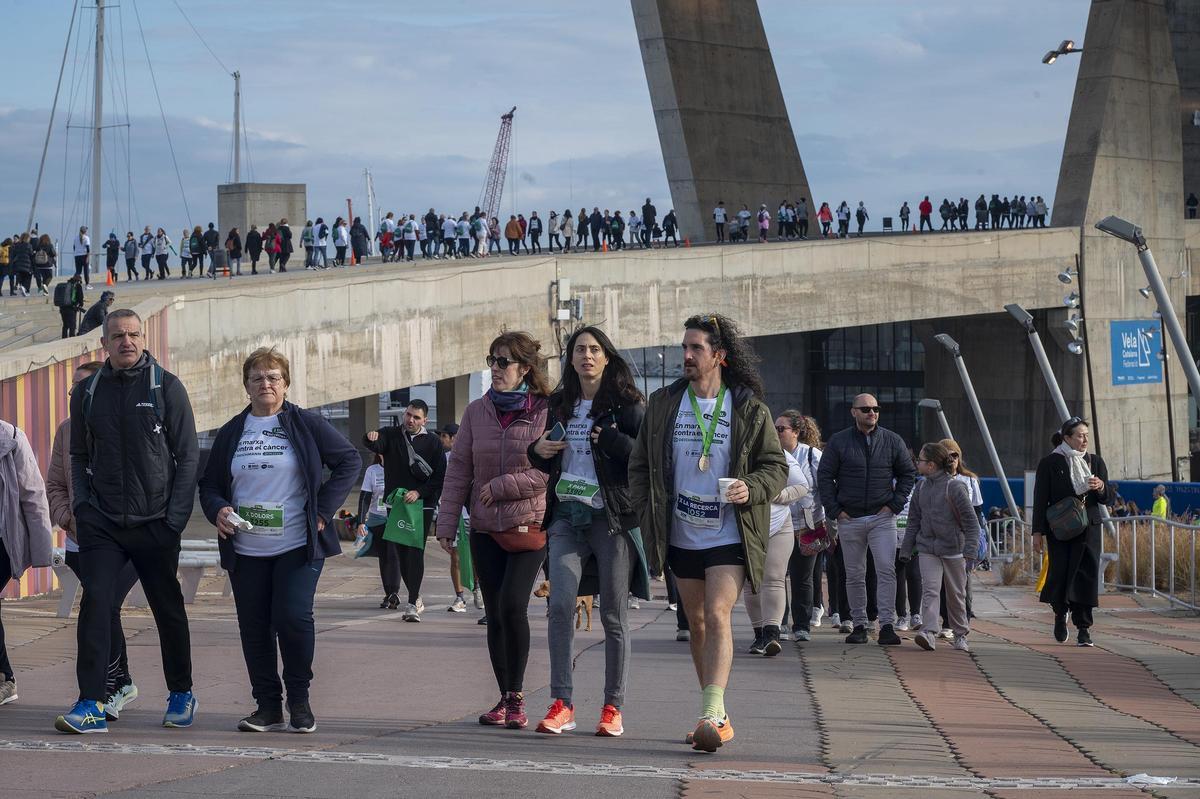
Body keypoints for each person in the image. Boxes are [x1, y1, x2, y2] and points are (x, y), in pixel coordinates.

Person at [628, 313, 787, 753]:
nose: (687, 355)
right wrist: (647, 514)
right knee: (695, 623)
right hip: (680, 532)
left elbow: (775, 467)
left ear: (719, 356)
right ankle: (715, 713)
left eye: (696, 348)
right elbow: (639, 466)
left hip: (729, 532)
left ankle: (710, 711)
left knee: (718, 613)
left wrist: (749, 487)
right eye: (684, 347)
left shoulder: (749, 409)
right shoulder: (663, 404)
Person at [199, 347, 357, 733]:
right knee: (254, 627)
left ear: (285, 383)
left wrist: (322, 512)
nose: (265, 383)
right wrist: (218, 509)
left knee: (292, 617)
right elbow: (210, 484)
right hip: (246, 548)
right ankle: (267, 707)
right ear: (246, 386)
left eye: (273, 377)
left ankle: (299, 700)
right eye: (257, 377)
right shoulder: (233, 430)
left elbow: (350, 460)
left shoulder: (305, 423)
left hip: (297, 545)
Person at [57, 309, 200, 734]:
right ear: (104, 343)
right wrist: (83, 508)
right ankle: (90, 703)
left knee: (167, 607)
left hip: (156, 521)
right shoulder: (87, 393)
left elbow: (188, 457)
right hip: (102, 521)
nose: (127, 342)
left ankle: (181, 692)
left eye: (134, 334)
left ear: (143, 338)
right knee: (96, 604)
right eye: (118, 336)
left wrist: (174, 520)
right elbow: (78, 455)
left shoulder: (166, 387)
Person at [527, 327, 649, 737]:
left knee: (614, 615)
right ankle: (562, 702)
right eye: (580, 350)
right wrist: (536, 452)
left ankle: (613, 707)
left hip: (610, 517)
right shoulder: (559, 403)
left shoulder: (628, 405)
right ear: (571, 358)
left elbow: (645, 459)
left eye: (595, 350)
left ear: (607, 357)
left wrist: (614, 441)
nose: (587, 356)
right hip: (566, 516)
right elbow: (545, 453)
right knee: (559, 604)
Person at [435, 332, 551, 731]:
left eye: (504, 362)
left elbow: (550, 472)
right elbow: (458, 471)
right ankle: (504, 696)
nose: (496, 369)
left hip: (528, 526)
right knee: (494, 613)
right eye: (492, 360)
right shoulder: (475, 412)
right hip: (484, 528)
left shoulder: (546, 412)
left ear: (525, 369)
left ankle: (518, 698)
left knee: (512, 607)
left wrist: (501, 487)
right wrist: (446, 521)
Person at [47, 361, 140, 718]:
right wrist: (67, 517)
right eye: (72, 389)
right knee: (103, 608)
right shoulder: (67, 429)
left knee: (103, 605)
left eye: (82, 387)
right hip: (79, 541)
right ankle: (120, 682)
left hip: (125, 539)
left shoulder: (127, 422)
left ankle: (109, 687)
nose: (75, 394)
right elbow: (55, 483)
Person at [817, 393, 916, 646]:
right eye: (865, 409)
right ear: (853, 412)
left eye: (875, 408)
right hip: (849, 518)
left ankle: (886, 626)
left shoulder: (893, 441)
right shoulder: (839, 442)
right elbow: (825, 477)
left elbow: (908, 474)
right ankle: (859, 624)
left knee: (886, 570)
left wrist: (894, 505)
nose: (871, 413)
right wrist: (836, 510)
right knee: (854, 574)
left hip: (882, 518)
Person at [1031, 417, 1114, 647]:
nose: (1084, 439)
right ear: (1066, 437)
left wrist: (1101, 487)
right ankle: (1060, 614)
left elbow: (1109, 498)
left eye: (1087, 435)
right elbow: (1040, 499)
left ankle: (1084, 628)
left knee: (1086, 576)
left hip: (1089, 527)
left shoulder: (1095, 462)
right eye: (1079, 435)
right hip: (1061, 529)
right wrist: (1037, 532)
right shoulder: (1050, 463)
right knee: (1061, 573)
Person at [363, 400, 446, 621]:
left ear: (425, 420)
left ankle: (412, 602)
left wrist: (419, 492)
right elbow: (375, 444)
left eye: (416, 417)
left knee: (415, 551)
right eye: (408, 415)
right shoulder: (391, 434)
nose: (410, 420)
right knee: (401, 551)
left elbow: (439, 477)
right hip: (396, 503)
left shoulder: (433, 443)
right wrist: (370, 437)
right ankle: (416, 597)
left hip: (422, 504)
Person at [900, 442, 977, 652]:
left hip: (954, 549)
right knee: (931, 590)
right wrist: (906, 549)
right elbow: (913, 520)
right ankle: (929, 632)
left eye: (921, 460)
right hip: (927, 548)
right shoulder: (921, 487)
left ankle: (960, 634)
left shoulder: (955, 487)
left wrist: (970, 551)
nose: (917, 463)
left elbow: (971, 522)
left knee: (955, 594)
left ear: (932, 465)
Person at [0, 416, 53, 709]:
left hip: (4, 541)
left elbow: (33, 495)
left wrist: (42, 549)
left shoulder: (12, 440)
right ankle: (6, 677)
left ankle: (5, 678)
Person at [742, 439, 810, 657]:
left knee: (774, 577)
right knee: (751, 581)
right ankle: (759, 633)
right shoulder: (729, 448)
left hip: (778, 524)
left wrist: (776, 495)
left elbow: (801, 485)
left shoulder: (777, 452)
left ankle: (772, 633)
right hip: (745, 526)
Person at [775, 411, 824, 643]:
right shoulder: (771, 454)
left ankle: (802, 625)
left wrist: (828, 525)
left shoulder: (813, 455)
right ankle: (779, 623)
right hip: (777, 523)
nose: (776, 432)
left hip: (808, 524)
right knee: (777, 575)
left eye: (781, 428)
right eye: (774, 428)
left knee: (803, 576)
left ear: (796, 432)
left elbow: (824, 489)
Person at [8, 233, 33, 297]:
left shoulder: (17, 245)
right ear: (27, 238)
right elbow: (31, 255)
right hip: (27, 265)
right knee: (28, 277)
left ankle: (22, 287)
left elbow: (14, 254)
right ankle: (25, 289)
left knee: (21, 276)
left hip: (18, 265)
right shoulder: (29, 245)